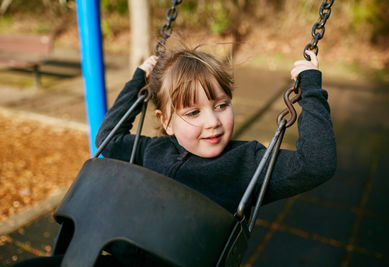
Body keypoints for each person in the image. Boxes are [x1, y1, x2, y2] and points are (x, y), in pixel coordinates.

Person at [14, 48, 336, 266]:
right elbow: (107, 139)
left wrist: (310, 88)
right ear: (165, 121)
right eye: (193, 112)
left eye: (221, 105)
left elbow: (316, 163)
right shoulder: (151, 150)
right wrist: (138, 79)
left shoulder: (247, 164)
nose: (212, 121)